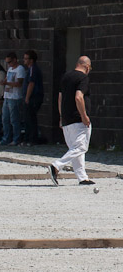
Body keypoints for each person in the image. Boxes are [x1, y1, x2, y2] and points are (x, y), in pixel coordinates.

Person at [50, 56, 95, 186]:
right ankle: (56, 166)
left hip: (66, 119)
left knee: (74, 149)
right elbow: (79, 97)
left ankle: (82, 177)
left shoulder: (65, 77)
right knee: (80, 147)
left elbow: (60, 98)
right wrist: (84, 116)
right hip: (78, 119)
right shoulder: (83, 78)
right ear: (87, 67)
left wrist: (61, 117)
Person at [0, 51, 25, 145]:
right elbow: (7, 79)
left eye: (10, 62)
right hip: (7, 96)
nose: (8, 64)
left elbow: (19, 83)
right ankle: (6, 138)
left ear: (15, 60)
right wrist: (4, 82)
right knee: (5, 119)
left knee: (14, 119)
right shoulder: (10, 69)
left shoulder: (20, 69)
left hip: (15, 97)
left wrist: (7, 83)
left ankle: (16, 138)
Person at [22, 49, 44, 145]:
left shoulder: (33, 69)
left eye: (26, 59)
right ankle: (29, 138)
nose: (24, 61)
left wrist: (27, 97)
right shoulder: (31, 69)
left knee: (31, 119)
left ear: (31, 60)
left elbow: (31, 83)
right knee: (29, 118)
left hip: (33, 97)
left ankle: (32, 139)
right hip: (33, 97)